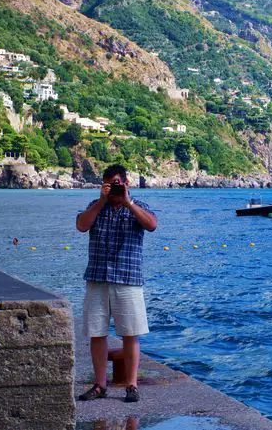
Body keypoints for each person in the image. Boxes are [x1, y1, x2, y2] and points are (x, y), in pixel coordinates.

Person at [76, 164, 157, 403]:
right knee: (96, 333)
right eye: (110, 184)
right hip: (98, 277)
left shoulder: (137, 206)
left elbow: (152, 225)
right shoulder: (95, 206)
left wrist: (128, 202)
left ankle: (131, 385)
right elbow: (81, 225)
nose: (114, 188)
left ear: (126, 183)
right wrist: (101, 201)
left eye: (117, 183)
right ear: (103, 185)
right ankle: (100, 385)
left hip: (128, 278)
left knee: (131, 334)